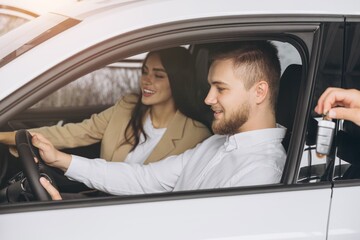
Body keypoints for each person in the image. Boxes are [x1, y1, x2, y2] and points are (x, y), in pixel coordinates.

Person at [35, 41, 287, 199]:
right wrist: (62, 160)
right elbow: (145, 179)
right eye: (210, 87)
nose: (208, 99)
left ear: (259, 92)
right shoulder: (216, 144)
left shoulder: (262, 172)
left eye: (220, 89)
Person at [0, 47, 211, 165]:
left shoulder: (196, 134)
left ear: (177, 81)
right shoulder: (127, 107)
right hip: (101, 199)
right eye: (145, 71)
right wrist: (4, 136)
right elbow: (71, 133)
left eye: (158, 76)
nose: (146, 80)